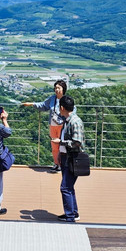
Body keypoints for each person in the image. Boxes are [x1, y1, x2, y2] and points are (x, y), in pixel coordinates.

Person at [21, 79, 67, 172]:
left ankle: (63, 165)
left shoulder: (66, 100)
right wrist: (31, 104)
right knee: (54, 146)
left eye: (59, 88)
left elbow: (72, 110)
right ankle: (56, 164)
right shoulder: (52, 98)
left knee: (63, 146)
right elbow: (43, 105)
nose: (57, 90)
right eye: (55, 88)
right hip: (53, 126)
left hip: (63, 126)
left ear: (63, 89)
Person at [53, 94, 85, 222]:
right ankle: (73, 212)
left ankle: (70, 216)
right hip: (67, 156)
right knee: (69, 187)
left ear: (62, 107)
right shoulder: (67, 120)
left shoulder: (74, 122)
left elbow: (77, 142)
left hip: (73, 157)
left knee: (65, 187)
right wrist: (61, 153)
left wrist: (60, 142)